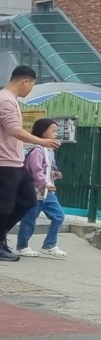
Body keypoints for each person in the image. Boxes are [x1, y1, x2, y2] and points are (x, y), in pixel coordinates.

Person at [0, 71, 58, 263]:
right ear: (25, 81)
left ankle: (1, 237)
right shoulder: (6, 100)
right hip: (5, 162)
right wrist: (41, 141)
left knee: (28, 200)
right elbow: (14, 130)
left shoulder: (10, 99)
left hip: (16, 161)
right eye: (32, 85)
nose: (31, 89)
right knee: (5, 205)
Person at [17, 118, 66, 258]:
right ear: (44, 132)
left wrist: (54, 174)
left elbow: (47, 168)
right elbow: (36, 170)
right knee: (30, 219)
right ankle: (22, 246)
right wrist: (46, 183)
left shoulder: (49, 150)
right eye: (53, 131)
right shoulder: (37, 150)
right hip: (35, 190)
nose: (56, 133)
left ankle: (50, 245)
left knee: (59, 216)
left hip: (47, 192)